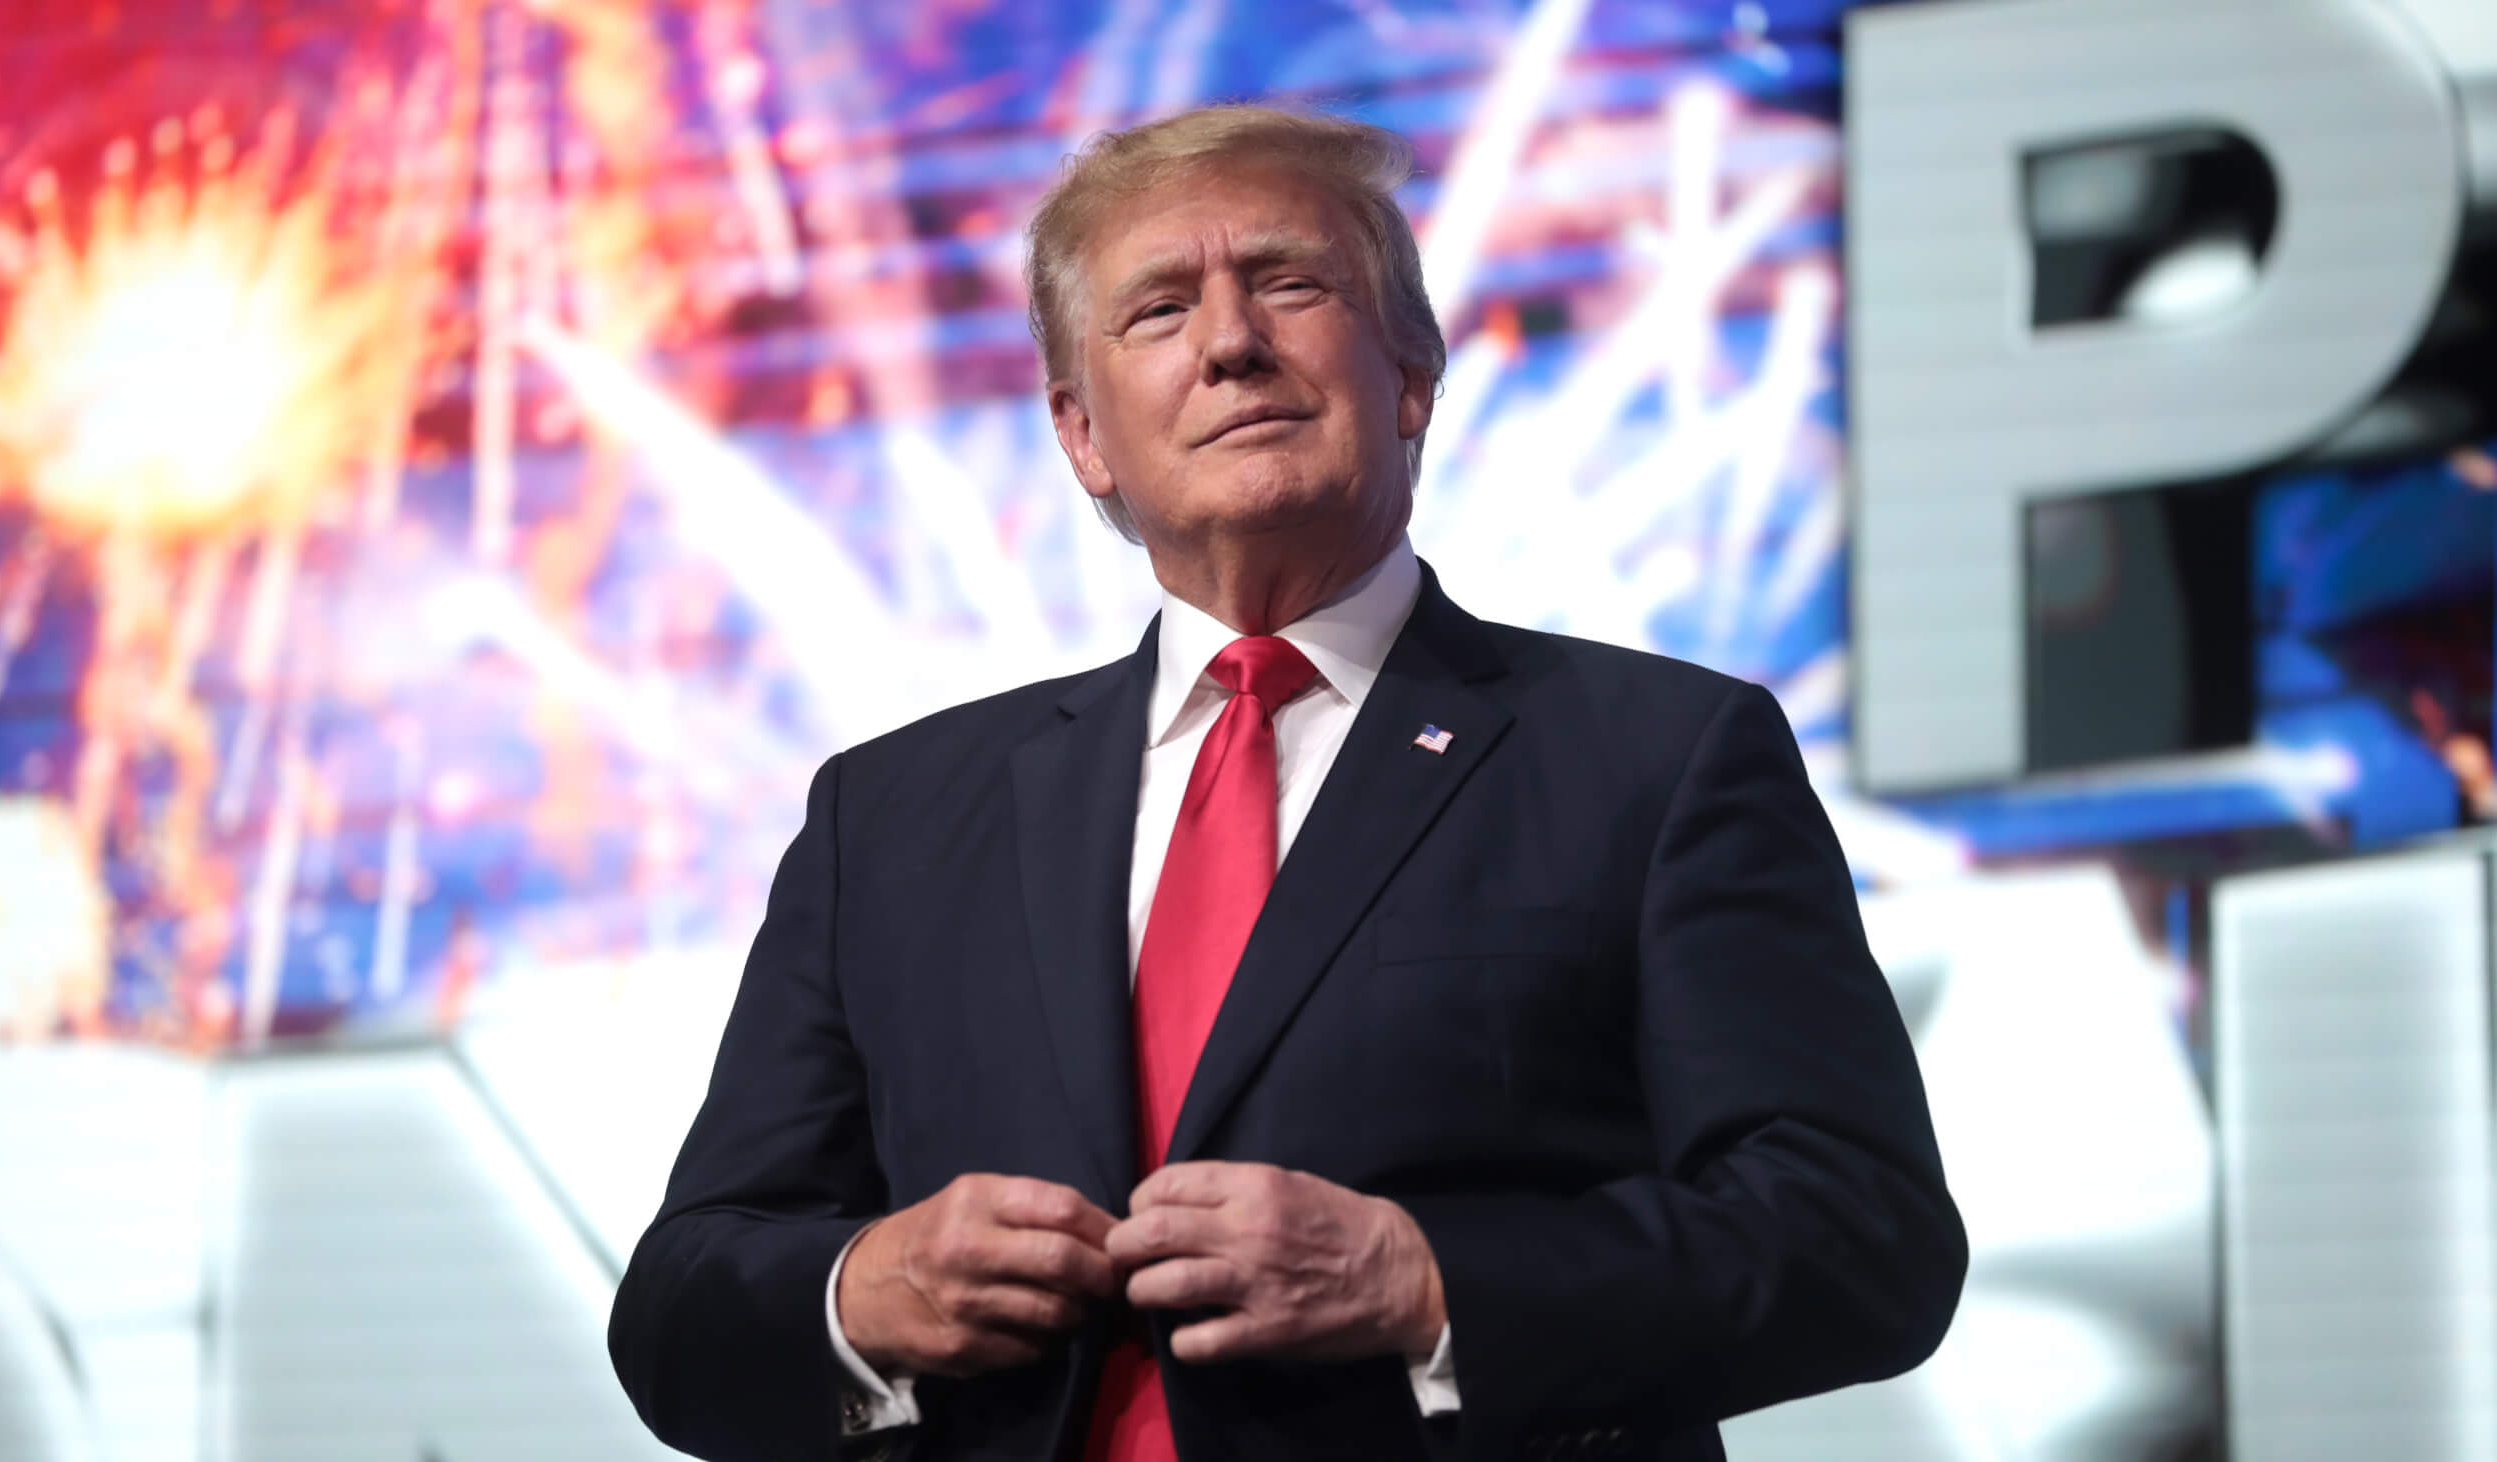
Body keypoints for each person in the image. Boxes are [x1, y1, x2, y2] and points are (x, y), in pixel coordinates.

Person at [607, 105, 1965, 1462]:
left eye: (1289, 282)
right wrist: (866, 1293)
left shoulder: (1656, 758)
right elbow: (679, 1311)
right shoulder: (892, 820)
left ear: (1413, 378)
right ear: (1085, 437)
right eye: (1156, 311)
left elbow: (1860, 1233)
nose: (1230, 341)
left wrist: (1430, 1281)